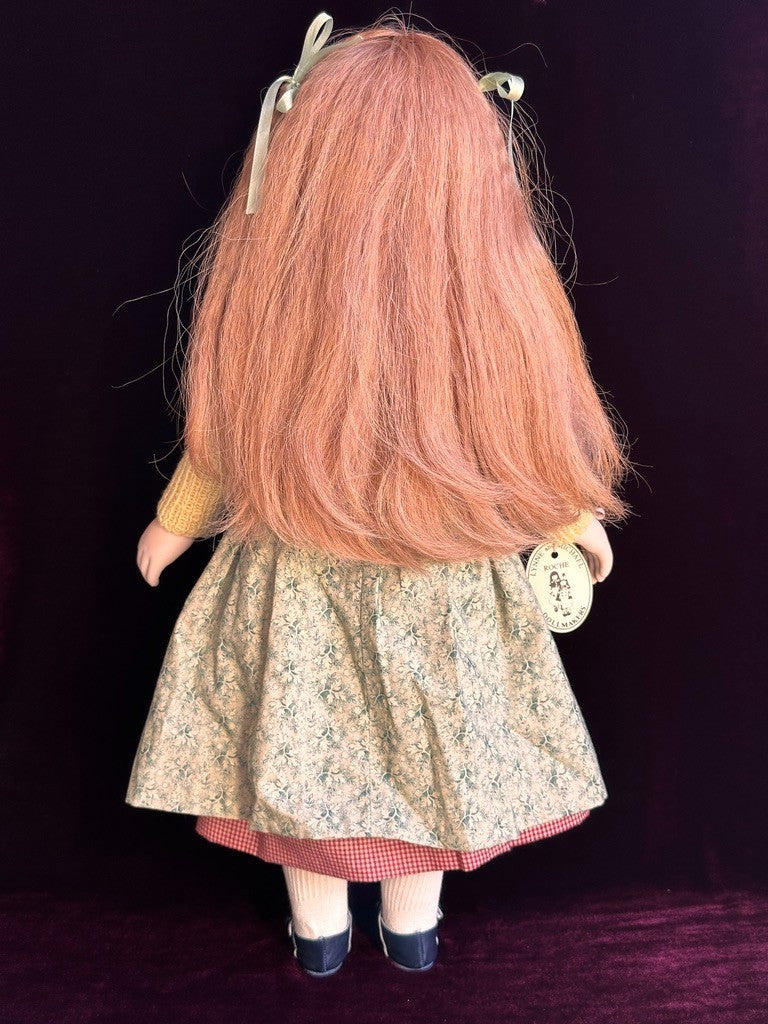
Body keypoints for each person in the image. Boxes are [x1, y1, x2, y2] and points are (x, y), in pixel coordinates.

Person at [126, 11, 631, 976]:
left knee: (332, 758)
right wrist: (174, 519)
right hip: (371, 591)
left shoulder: (473, 334)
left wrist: (571, 514)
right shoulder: (291, 326)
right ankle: (363, 929)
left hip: (338, 591)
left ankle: (371, 928)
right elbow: (228, 437)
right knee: (395, 761)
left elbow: (519, 439)